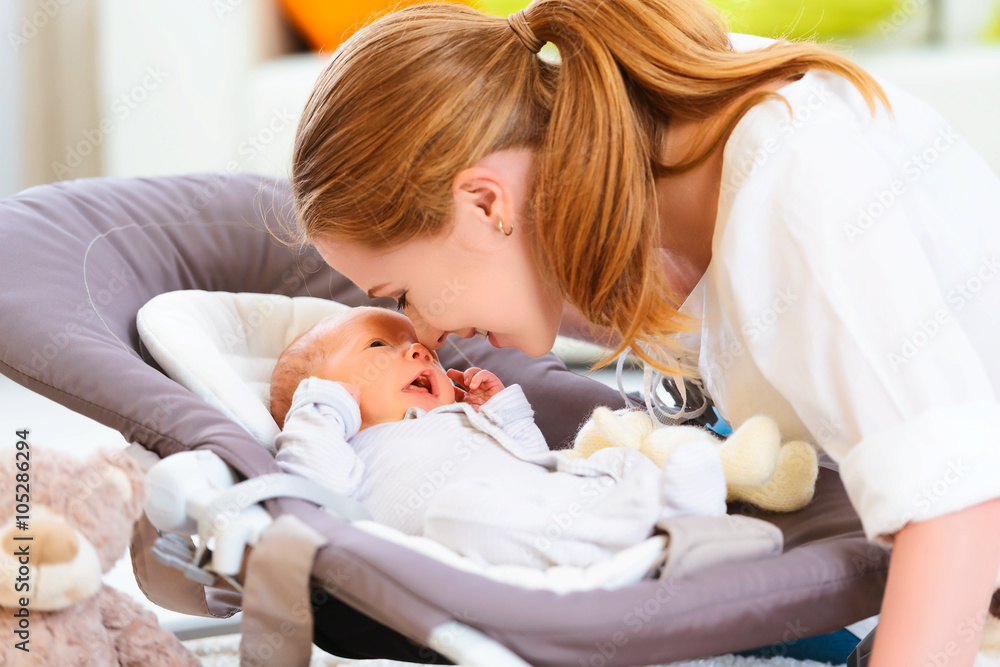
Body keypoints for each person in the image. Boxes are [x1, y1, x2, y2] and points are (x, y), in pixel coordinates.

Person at [286, 0, 1000, 663]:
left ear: (484, 203)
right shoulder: (649, 152)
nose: (426, 329)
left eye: (405, 294)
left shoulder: (795, 187)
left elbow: (960, 507)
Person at [270, 306, 730, 569]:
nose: (420, 351)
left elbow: (530, 459)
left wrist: (498, 412)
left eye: (427, 352)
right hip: (477, 550)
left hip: (548, 504)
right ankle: (647, 532)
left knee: (598, 460)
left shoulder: (458, 418)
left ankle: (672, 509)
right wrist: (319, 407)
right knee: (460, 514)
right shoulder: (347, 446)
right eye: (377, 347)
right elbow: (313, 493)